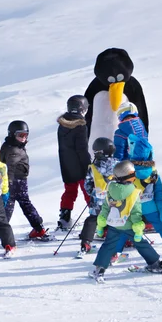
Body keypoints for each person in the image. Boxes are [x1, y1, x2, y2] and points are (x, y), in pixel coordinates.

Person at [91, 161, 162, 282]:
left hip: (114, 223)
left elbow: (105, 207)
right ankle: (155, 263)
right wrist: (137, 226)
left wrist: (101, 221)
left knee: (108, 245)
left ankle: (100, 269)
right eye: (133, 173)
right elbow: (136, 212)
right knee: (141, 243)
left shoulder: (110, 189)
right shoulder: (134, 192)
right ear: (130, 175)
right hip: (129, 224)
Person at [0, 121, 47, 249]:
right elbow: (10, 167)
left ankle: (38, 229)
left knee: (21, 204)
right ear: (12, 134)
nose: (24, 138)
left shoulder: (11, 146)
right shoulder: (14, 149)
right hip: (14, 182)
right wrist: (7, 184)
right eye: (20, 135)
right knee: (10, 207)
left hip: (17, 181)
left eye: (26, 135)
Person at [77, 137, 118, 258]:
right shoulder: (118, 164)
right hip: (115, 199)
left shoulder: (94, 167)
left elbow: (87, 184)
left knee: (92, 219)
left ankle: (86, 243)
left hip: (99, 199)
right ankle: (117, 245)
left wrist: (92, 194)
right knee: (116, 220)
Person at [57, 95, 91, 230]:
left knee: (69, 191)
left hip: (66, 165)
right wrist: (89, 166)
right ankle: (97, 218)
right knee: (88, 191)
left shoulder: (62, 124)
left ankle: (64, 218)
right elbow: (82, 149)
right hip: (80, 165)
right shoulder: (81, 125)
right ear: (83, 109)